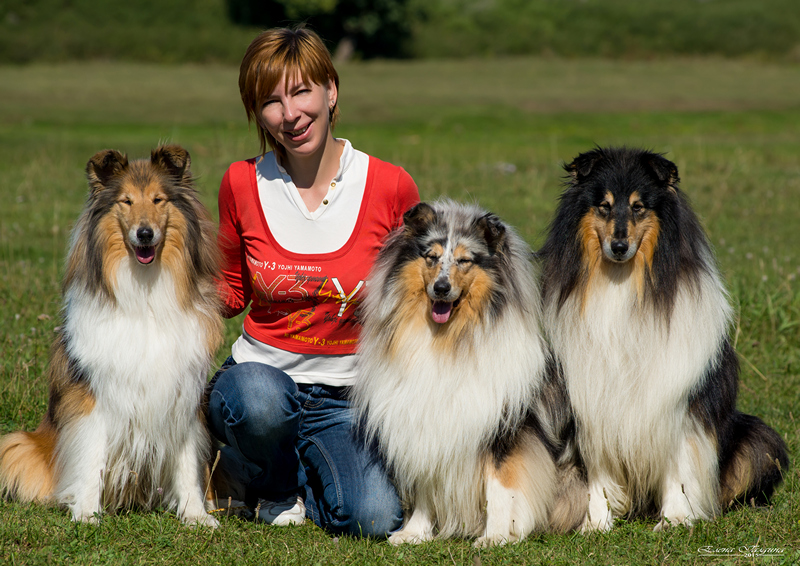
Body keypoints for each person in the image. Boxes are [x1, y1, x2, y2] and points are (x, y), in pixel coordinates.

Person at [207, 26, 420, 537]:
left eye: (302, 90)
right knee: (258, 401)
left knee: (373, 518)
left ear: (331, 90)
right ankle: (272, 483)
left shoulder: (391, 185)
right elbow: (229, 291)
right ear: (257, 114)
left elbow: (412, 297)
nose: (291, 114)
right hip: (259, 382)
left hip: (348, 395)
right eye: (271, 101)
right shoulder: (241, 182)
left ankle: (274, 472)